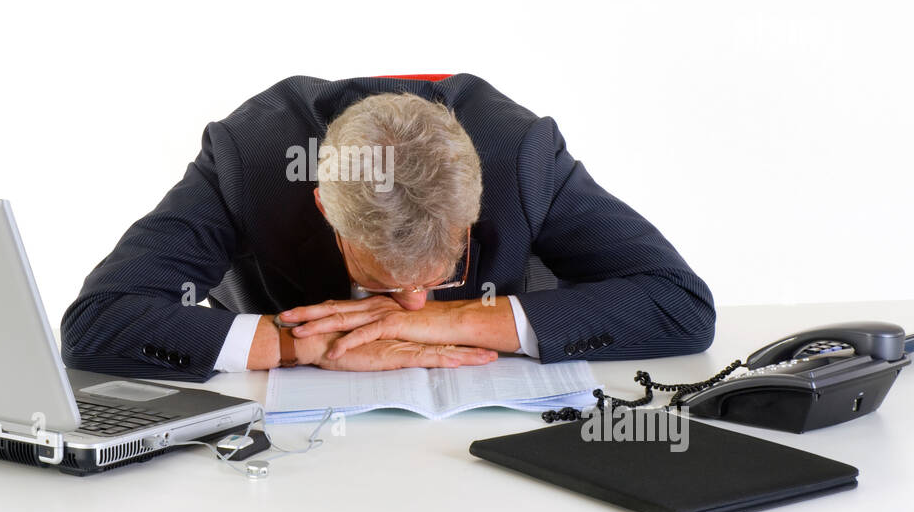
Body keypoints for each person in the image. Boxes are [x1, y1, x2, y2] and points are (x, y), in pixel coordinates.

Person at [61, 74, 715, 380]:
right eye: (382, 286)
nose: (408, 305)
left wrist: (446, 322)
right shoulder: (250, 159)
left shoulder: (521, 156)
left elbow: (679, 304)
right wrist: (298, 346)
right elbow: (100, 319)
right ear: (326, 211)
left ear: (474, 208)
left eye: (439, 282)